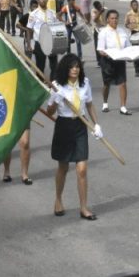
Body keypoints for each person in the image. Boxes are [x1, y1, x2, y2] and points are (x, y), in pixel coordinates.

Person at [45, 54, 101, 220]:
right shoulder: (56, 86)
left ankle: (84, 208)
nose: (75, 69)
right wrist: (55, 100)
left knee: (82, 169)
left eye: (77, 66)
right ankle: (58, 200)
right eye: (72, 66)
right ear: (65, 69)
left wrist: (96, 124)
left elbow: (89, 104)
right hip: (64, 126)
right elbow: (49, 112)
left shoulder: (85, 84)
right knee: (63, 167)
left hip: (80, 126)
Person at [96, 9, 131, 115]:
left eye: (116, 18)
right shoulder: (103, 33)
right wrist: (110, 54)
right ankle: (105, 103)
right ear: (107, 20)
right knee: (107, 84)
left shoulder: (122, 31)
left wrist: (130, 55)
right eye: (112, 18)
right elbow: (100, 50)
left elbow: (128, 46)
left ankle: (123, 107)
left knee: (123, 83)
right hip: (108, 61)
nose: (114, 20)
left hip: (120, 60)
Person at [27, 0, 60, 79]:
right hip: (39, 43)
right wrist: (29, 44)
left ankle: (53, 85)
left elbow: (56, 27)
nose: (43, 0)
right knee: (40, 67)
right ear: (38, 0)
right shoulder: (34, 14)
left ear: (47, 0)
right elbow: (29, 29)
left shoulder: (52, 13)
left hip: (51, 43)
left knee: (54, 66)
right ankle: (41, 85)